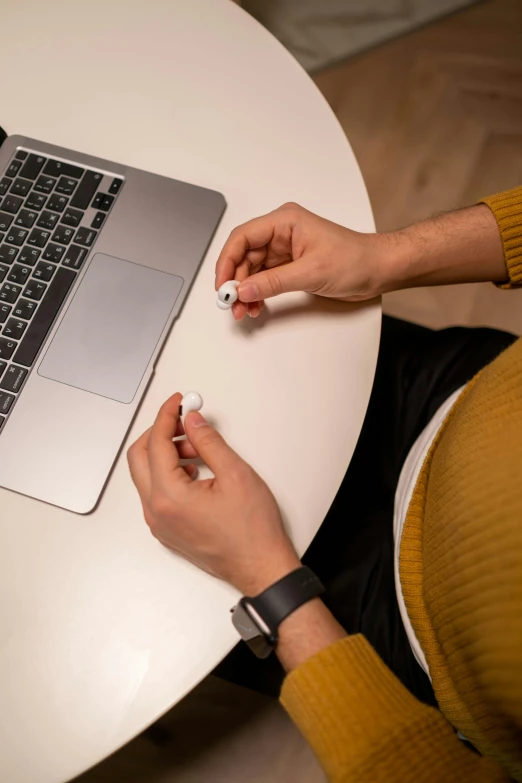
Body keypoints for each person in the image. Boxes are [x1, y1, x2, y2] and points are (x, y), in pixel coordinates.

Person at [127, 186, 522, 782]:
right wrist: (384, 257)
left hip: (408, 626)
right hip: (464, 391)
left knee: (141, 577)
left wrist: (270, 583)